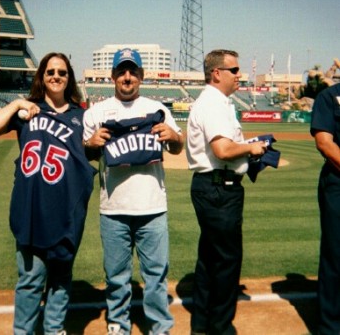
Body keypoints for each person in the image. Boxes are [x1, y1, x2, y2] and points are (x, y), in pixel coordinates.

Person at [0, 52, 95, 335]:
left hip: (67, 210)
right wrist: (18, 103)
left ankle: (54, 329)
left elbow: (94, 152)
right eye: (50, 72)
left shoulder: (83, 116)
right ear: (42, 77)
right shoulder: (27, 112)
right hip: (31, 208)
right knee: (31, 280)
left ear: (69, 78)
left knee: (60, 278)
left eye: (62, 72)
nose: (56, 76)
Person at [83, 48, 184, 335]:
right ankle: (118, 325)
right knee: (116, 276)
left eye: (133, 71)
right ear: (113, 76)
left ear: (141, 76)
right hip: (113, 209)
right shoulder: (97, 113)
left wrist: (173, 136)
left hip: (152, 207)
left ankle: (160, 327)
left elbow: (178, 146)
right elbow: (85, 154)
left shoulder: (158, 109)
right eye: (121, 72)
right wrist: (90, 143)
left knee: (156, 275)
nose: (127, 77)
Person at [186, 49, 267, 335]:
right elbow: (223, 149)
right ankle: (220, 326)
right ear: (216, 73)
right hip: (219, 188)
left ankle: (201, 324)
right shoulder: (215, 103)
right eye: (234, 70)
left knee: (210, 258)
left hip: (213, 187)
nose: (239, 75)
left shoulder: (216, 102)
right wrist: (252, 147)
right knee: (226, 260)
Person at [310, 82, 340, 335]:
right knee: (337, 253)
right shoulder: (329, 96)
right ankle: (331, 326)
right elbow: (325, 143)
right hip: (338, 182)